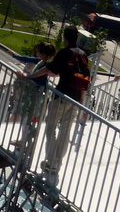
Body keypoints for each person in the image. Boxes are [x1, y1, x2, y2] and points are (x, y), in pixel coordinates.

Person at [21, 26, 90, 184]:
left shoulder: (65, 52)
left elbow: (48, 68)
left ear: (65, 38)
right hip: (75, 98)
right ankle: (57, 164)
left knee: (51, 128)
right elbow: (86, 79)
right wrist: (82, 101)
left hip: (61, 95)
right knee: (66, 130)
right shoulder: (83, 55)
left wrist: (30, 76)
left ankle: (51, 162)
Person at [11, 41, 57, 148]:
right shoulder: (40, 62)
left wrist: (25, 76)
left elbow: (38, 79)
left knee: (27, 118)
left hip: (34, 96)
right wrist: (14, 56)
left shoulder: (45, 65)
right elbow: (27, 58)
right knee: (28, 118)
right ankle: (25, 140)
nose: (36, 53)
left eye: (39, 52)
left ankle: (24, 141)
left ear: (44, 54)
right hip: (34, 95)